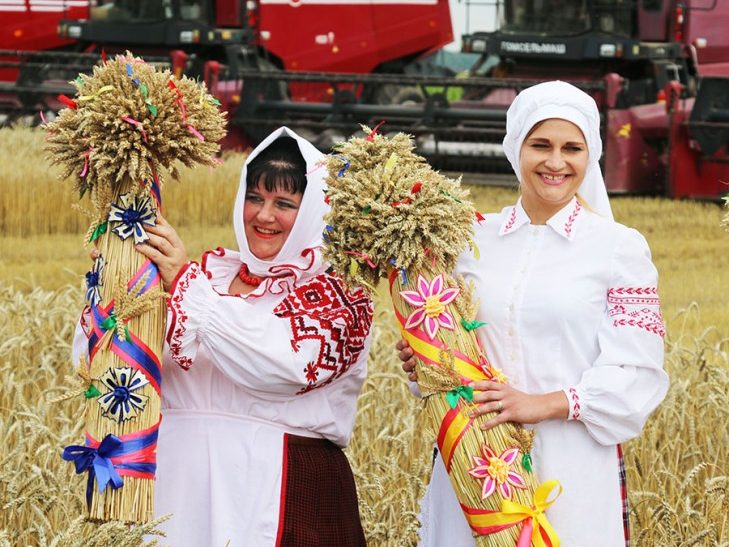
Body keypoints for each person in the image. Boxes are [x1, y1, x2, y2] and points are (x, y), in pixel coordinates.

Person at [397, 81, 669, 546]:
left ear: (591, 155)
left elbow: (637, 372)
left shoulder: (619, 248)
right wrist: (425, 359)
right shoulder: (470, 239)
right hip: (476, 459)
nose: (556, 162)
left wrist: (540, 404)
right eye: (540, 145)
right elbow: (454, 341)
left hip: (572, 463)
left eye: (573, 148)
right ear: (514, 147)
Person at [74, 127, 373, 545]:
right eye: (255, 198)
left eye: (284, 204)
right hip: (173, 491)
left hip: (279, 491)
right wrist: (117, 280)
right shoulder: (209, 278)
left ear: (312, 214)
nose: (264, 216)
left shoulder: (337, 292)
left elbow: (284, 366)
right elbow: (102, 367)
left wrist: (182, 280)